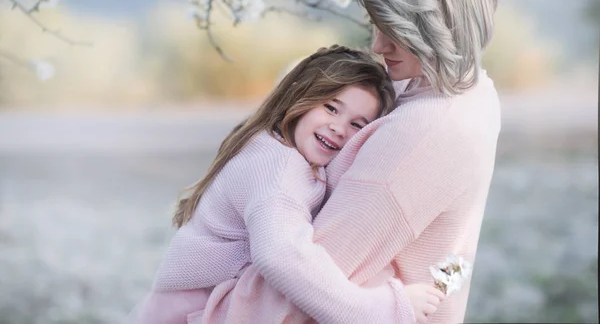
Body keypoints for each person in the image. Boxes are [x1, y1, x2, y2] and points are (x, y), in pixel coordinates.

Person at [197, 0, 502, 324]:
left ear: (440, 20)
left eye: (394, 28)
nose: (378, 44)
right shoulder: (478, 93)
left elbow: (300, 288)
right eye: (375, 23)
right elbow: (455, 255)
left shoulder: (419, 134)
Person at [129, 45, 445, 324]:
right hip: (191, 313)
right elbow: (283, 257)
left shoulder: (280, 148)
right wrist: (383, 311)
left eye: (356, 125)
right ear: (300, 97)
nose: (338, 128)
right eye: (331, 108)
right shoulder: (279, 169)